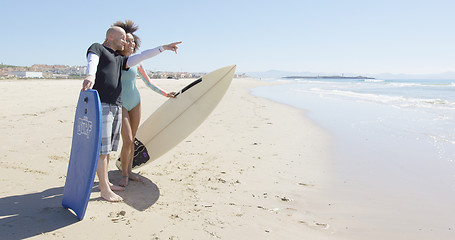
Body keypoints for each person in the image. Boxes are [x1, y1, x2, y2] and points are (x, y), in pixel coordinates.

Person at [82, 25, 181, 202]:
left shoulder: (124, 61)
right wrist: (90, 75)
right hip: (108, 103)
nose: (127, 42)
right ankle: (108, 185)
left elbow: (144, 62)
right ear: (112, 37)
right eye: (124, 39)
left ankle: (117, 177)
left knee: (115, 145)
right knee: (111, 146)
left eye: (130, 40)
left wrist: (163, 48)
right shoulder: (103, 50)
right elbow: (93, 60)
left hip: (121, 102)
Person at [113, 20, 177, 187]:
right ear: (121, 42)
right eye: (128, 40)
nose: (131, 43)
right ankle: (125, 175)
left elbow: (148, 83)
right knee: (127, 139)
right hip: (120, 103)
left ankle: (129, 171)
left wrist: (165, 93)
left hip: (135, 101)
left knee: (132, 140)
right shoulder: (115, 60)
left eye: (134, 41)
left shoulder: (137, 61)